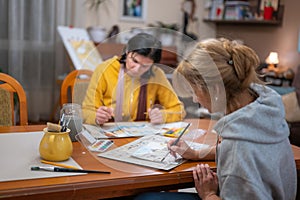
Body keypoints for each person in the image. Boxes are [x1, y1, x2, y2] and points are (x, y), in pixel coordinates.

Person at [135, 38, 297, 200]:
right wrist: (197, 154)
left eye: (194, 91)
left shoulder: (237, 153)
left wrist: (208, 194)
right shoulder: (264, 109)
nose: (195, 99)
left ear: (216, 90)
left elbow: (236, 152)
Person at [82, 33, 185, 125]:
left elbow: (179, 110)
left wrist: (164, 115)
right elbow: (86, 110)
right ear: (127, 52)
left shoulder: (157, 74)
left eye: (145, 66)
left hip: (142, 135)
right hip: (109, 132)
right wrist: (96, 117)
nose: (137, 69)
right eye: (134, 61)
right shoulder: (104, 70)